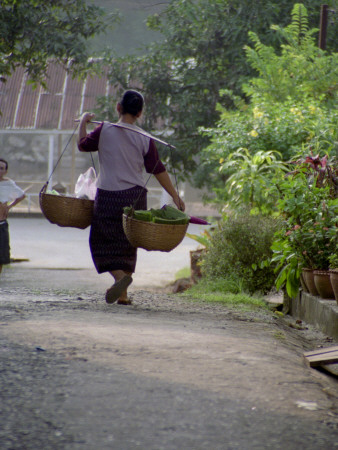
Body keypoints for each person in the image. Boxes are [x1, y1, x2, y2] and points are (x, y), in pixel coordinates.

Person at [77, 90, 185, 305]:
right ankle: (123, 294)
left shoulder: (104, 129)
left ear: (118, 107)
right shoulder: (145, 138)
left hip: (108, 195)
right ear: (140, 113)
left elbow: (82, 145)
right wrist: (175, 196)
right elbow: (158, 169)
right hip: (135, 196)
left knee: (101, 241)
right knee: (127, 243)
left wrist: (82, 122)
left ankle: (120, 278)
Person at [0, 158, 26, 274]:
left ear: (5, 171)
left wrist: (9, 206)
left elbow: (21, 195)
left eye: (1, 168)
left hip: (1, 224)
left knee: (1, 257)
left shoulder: (8, 184)